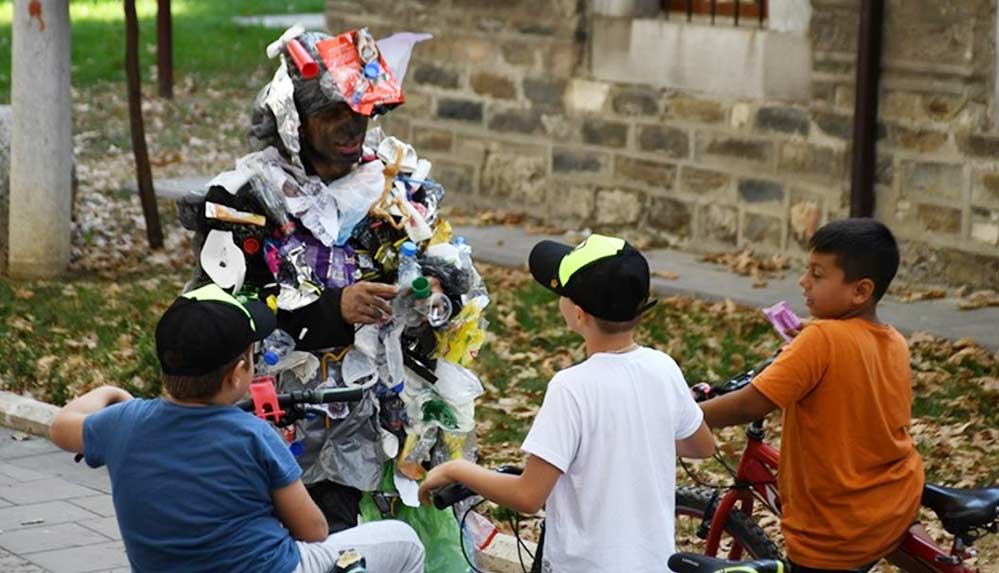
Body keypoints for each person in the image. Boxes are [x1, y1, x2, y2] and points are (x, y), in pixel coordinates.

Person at [48, 284, 425, 573]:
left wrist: (111, 392)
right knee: (405, 543)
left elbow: (61, 426)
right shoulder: (253, 435)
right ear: (237, 375)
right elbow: (313, 530)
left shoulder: (124, 423)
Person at [418, 234, 716, 572]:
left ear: (578, 314)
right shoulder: (663, 367)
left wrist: (457, 469)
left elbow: (528, 496)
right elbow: (702, 445)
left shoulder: (571, 388)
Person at [699, 218, 924, 573]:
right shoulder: (893, 340)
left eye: (818, 275)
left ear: (860, 291)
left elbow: (751, 403)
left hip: (833, 530)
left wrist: (684, 413)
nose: (804, 282)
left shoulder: (820, 341)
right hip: (893, 500)